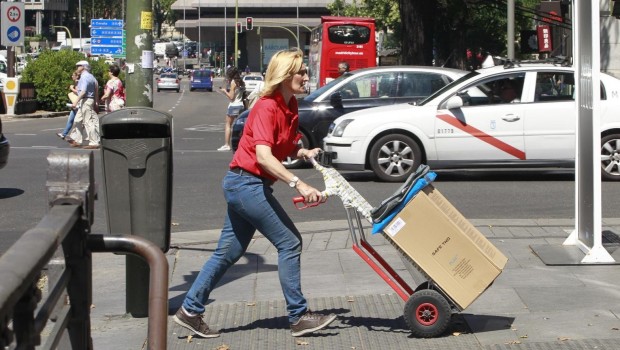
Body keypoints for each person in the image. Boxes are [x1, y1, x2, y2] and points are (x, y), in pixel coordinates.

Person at [173, 48, 336, 339]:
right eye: (301, 72)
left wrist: (303, 150)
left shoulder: (290, 107)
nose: (306, 76)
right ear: (286, 76)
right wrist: (298, 183)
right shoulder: (266, 107)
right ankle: (298, 317)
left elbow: (281, 148)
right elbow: (263, 156)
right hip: (245, 184)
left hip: (251, 185)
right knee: (290, 243)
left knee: (229, 252)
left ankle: (190, 310)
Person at [67, 60, 100, 149]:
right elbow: (96, 87)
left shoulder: (84, 77)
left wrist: (75, 102)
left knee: (88, 121)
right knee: (77, 120)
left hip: (86, 100)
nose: (77, 68)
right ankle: (78, 140)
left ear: (84, 67)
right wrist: (96, 102)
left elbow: (83, 92)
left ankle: (94, 142)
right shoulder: (92, 77)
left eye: (79, 66)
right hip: (89, 100)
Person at [217, 66, 245, 151]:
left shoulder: (233, 82)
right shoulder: (241, 82)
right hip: (241, 105)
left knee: (228, 124)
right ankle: (243, 144)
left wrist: (225, 91)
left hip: (233, 106)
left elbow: (231, 97)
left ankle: (227, 144)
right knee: (241, 126)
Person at [57, 70, 80, 139]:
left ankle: (89, 136)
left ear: (77, 76)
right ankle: (64, 134)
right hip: (74, 105)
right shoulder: (75, 83)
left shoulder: (78, 83)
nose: (72, 76)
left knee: (81, 122)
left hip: (78, 104)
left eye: (73, 75)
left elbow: (79, 93)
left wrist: (72, 89)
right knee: (70, 120)